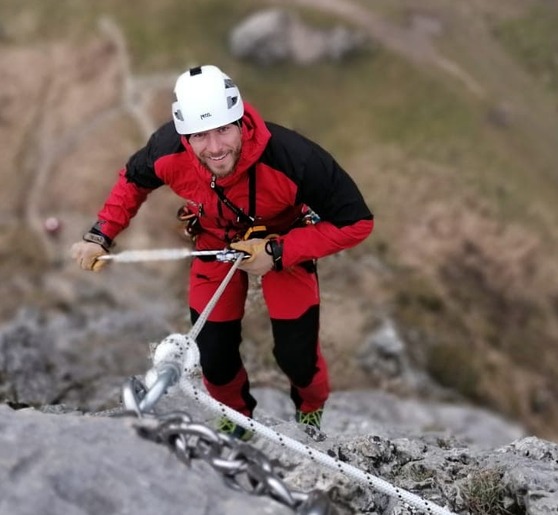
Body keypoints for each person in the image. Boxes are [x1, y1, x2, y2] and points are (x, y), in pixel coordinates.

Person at [71, 65, 374, 439]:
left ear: (240, 119)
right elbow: (132, 182)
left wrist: (277, 252)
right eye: (199, 134)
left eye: (223, 130)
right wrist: (101, 235)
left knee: (297, 356)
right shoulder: (167, 150)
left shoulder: (294, 158)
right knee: (213, 354)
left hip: (284, 238)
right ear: (184, 134)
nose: (214, 148)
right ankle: (236, 417)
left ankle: (310, 408)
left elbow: (357, 222)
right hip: (216, 241)